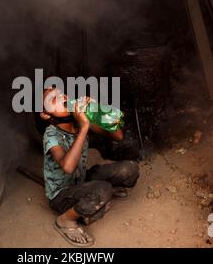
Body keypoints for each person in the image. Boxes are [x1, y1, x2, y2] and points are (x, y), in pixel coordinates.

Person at [39, 87, 139, 247]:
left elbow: (118, 136)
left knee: (130, 169)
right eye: (53, 99)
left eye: (61, 94)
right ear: (46, 114)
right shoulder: (51, 135)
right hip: (61, 196)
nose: (61, 97)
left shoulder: (80, 122)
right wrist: (85, 126)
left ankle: (92, 201)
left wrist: (98, 111)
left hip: (82, 179)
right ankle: (65, 220)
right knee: (103, 188)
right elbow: (68, 167)